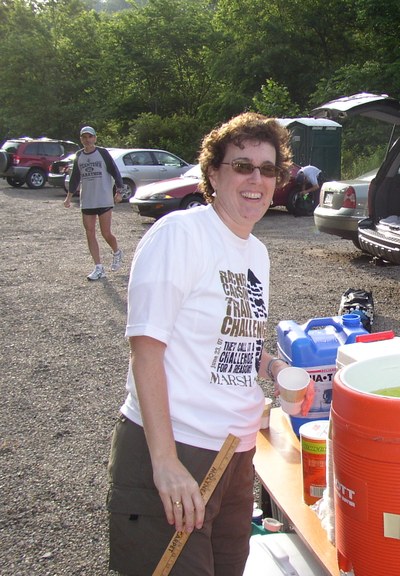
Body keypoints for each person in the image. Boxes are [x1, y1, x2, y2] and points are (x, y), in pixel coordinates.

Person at [107, 112, 294, 576]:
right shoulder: (180, 235)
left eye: (267, 169)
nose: (256, 179)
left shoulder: (256, 252)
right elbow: (146, 350)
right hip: (179, 447)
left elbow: (236, 341)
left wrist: (274, 371)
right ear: (214, 173)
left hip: (235, 452)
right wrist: (165, 461)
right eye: (242, 165)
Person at [63, 126, 125, 281]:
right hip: (87, 200)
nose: (87, 140)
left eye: (90, 137)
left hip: (103, 198)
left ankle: (117, 252)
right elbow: (75, 178)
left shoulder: (102, 153)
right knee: (89, 232)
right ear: (81, 139)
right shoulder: (79, 156)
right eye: (84, 137)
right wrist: (69, 197)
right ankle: (98, 267)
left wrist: (119, 191)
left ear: (95, 138)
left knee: (106, 233)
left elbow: (115, 172)